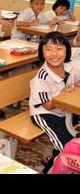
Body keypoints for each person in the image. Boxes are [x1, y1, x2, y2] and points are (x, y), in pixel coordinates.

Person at [29, 32, 80, 173]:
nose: (54, 54)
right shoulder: (42, 78)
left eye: (59, 48)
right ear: (42, 53)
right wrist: (63, 96)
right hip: (44, 113)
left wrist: (77, 87)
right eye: (48, 49)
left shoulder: (72, 66)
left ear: (67, 51)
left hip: (64, 110)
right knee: (66, 145)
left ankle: (55, 160)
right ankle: (51, 168)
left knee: (75, 137)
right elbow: (47, 105)